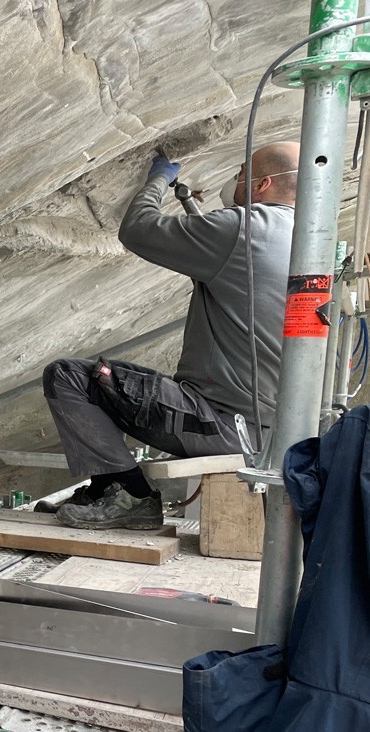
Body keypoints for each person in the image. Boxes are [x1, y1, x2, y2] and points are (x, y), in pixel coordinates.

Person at [42, 141, 299, 529]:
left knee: (70, 377)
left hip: (221, 426)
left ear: (262, 184)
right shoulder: (313, 241)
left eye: (242, 176)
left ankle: (131, 496)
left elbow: (138, 229)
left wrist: (158, 179)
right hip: (280, 434)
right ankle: (104, 490)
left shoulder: (244, 227)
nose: (234, 183)